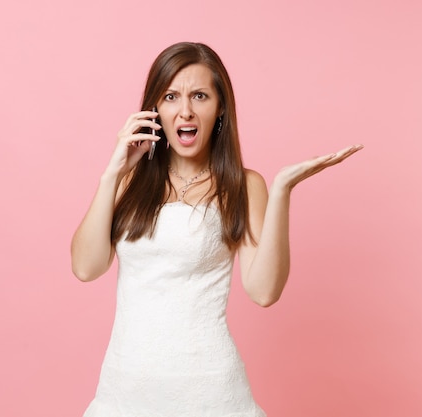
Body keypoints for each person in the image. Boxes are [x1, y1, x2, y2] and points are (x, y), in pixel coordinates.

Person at [71, 41, 362, 417]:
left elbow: (263, 291)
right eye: (171, 96)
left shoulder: (241, 185)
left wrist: (282, 190)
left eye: (200, 96)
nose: (185, 111)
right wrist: (112, 173)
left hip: (209, 391)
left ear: (220, 107)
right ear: (154, 108)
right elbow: (85, 267)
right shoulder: (128, 182)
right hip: (124, 390)